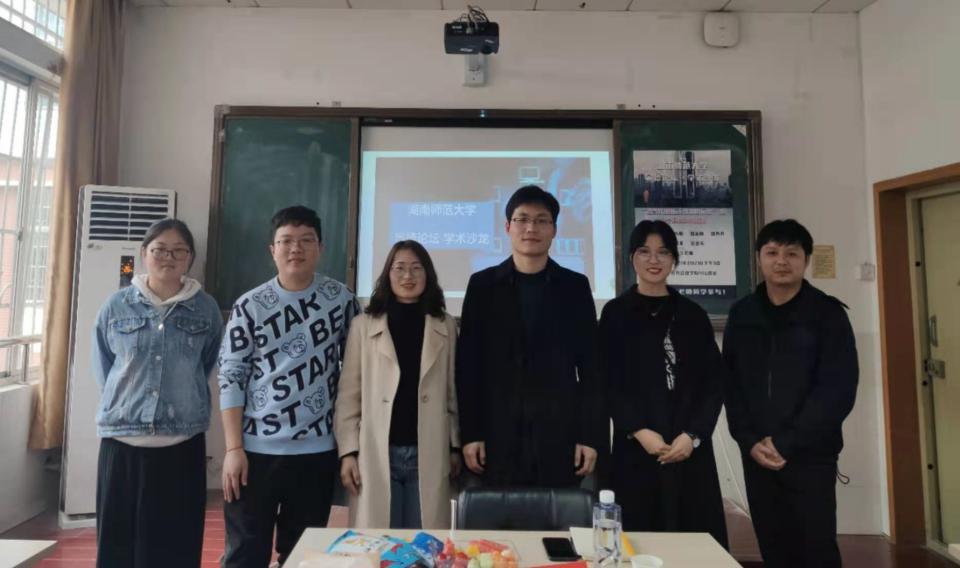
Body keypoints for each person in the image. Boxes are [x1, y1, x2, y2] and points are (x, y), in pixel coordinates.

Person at [218, 205, 359, 568]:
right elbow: (231, 376)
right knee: (245, 553)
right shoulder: (249, 305)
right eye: (286, 241)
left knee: (303, 556)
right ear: (273, 249)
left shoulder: (342, 300)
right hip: (255, 451)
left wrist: (349, 447)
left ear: (320, 248)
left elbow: (356, 375)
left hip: (316, 450)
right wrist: (233, 448)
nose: (296, 248)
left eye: (306, 240)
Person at [723, 219, 858, 568]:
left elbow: (838, 389)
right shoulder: (742, 314)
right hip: (757, 455)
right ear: (759, 258)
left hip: (810, 454)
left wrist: (787, 442)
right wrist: (749, 439)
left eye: (791, 253)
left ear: (806, 260)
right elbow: (731, 385)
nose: (781, 261)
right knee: (773, 546)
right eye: (772, 252)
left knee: (816, 549)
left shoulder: (827, 314)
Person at [92, 219, 223, 568]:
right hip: (121, 444)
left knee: (175, 549)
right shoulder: (116, 306)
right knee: (118, 549)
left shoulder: (206, 309)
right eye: (160, 250)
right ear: (144, 254)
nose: (169, 257)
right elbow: (105, 368)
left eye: (179, 251)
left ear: (190, 257)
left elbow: (205, 365)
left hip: (181, 445)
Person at [456, 185, 605, 488]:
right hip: (497, 434)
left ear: (554, 230)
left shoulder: (575, 287)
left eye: (541, 220)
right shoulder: (482, 286)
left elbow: (592, 369)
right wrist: (471, 434)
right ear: (507, 227)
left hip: (559, 434)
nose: (531, 228)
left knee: (558, 515)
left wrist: (590, 436)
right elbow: (468, 367)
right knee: (500, 517)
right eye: (522, 219)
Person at [599, 220, 727, 547]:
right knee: (636, 543)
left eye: (663, 252)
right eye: (644, 252)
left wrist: (693, 435)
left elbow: (714, 384)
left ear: (674, 259)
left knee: (693, 544)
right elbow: (607, 380)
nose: (654, 260)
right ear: (632, 258)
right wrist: (638, 430)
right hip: (635, 448)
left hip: (688, 450)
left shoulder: (693, 315)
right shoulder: (615, 314)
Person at [335, 240, 461, 529]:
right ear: (387, 274)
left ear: (428, 275)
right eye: (400, 268)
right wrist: (348, 452)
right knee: (380, 542)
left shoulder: (445, 325)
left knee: (424, 543)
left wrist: (455, 445)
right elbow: (349, 396)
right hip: (376, 451)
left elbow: (453, 391)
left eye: (416, 268)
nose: (408, 276)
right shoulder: (364, 325)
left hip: (430, 450)